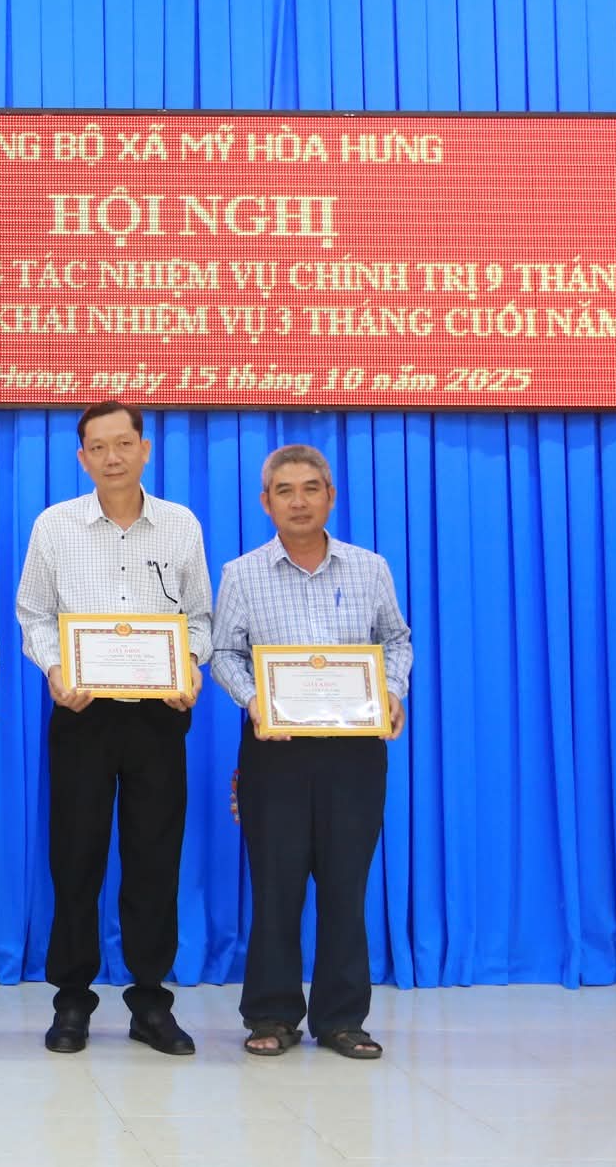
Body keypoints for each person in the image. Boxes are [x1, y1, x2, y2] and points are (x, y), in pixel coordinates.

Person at [14, 400, 211, 1056]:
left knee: (154, 859)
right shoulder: (55, 525)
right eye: (97, 447)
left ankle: (150, 1002)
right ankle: (71, 1000)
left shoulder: (180, 525)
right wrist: (53, 669)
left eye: (123, 443)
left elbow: (200, 618)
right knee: (76, 858)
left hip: (159, 715)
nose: (112, 457)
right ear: (82, 458)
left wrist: (189, 663)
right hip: (83, 712)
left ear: (144, 449)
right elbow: (34, 615)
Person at [210, 443, 411, 1061]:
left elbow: (396, 641)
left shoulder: (369, 568)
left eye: (310, 488)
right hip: (276, 751)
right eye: (285, 491)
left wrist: (392, 692)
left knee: (346, 888)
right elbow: (224, 654)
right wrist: (255, 702)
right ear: (265, 502)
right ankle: (271, 1014)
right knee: (276, 886)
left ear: (331, 496)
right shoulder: (242, 573)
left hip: (355, 752)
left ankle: (342, 1019)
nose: (299, 501)